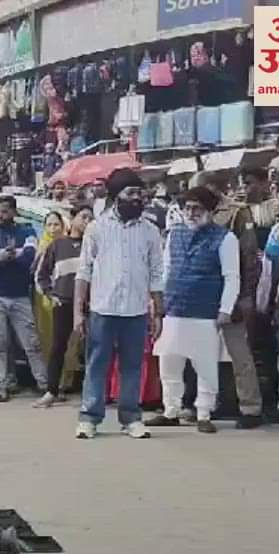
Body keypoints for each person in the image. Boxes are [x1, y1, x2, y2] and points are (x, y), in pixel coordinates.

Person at [75, 169, 165, 440]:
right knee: (96, 365)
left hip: (136, 311)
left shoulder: (150, 231)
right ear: (117, 197)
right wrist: (78, 312)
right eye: (132, 193)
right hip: (102, 310)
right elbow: (84, 272)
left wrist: (158, 311)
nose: (138, 199)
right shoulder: (97, 228)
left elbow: (156, 273)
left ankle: (131, 418)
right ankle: (89, 418)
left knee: (133, 367)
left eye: (140, 193)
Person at [145, 186, 240, 435]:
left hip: (205, 312)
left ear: (210, 211)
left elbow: (232, 277)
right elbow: (165, 271)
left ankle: (204, 413)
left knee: (206, 366)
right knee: (169, 364)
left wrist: (225, 309)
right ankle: (171, 411)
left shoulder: (225, 238)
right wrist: (157, 303)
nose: (191, 212)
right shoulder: (174, 235)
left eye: (197, 208)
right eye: (187, 207)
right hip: (174, 309)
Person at [189, 172, 265, 429]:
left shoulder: (236, 213)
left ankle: (250, 407)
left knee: (239, 353)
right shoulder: (190, 215)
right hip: (202, 293)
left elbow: (249, 257)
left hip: (231, 291)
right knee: (201, 353)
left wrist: (245, 296)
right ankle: (206, 404)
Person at [0, 195, 50, 403]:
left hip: (19, 295)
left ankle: (43, 384)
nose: (0, 216)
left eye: (5, 211)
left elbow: (30, 258)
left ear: (14, 212)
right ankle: (3, 386)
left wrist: (9, 256)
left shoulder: (26, 231)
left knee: (31, 343)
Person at [36, 210, 87, 406]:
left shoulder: (93, 245)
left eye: (90, 218)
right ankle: (51, 390)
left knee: (90, 349)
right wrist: (51, 294)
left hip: (90, 305)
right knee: (58, 347)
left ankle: (89, 393)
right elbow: (42, 274)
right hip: (64, 302)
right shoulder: (58, 245)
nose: (86, 222)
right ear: (72, 219)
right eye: (83, 217)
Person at [31, 211, 66, 396]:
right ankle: (50, 382)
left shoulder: (68, 245)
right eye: (49, 225)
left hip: (64, 298)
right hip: (45, 299)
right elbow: (37, 274)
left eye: (56, 224)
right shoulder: (42, 246)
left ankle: (64, 381)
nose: (53, 229)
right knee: (47, 339)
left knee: (66, 341)